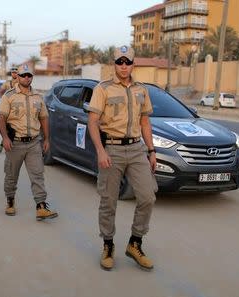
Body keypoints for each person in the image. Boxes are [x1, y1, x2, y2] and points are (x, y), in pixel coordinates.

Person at [87, 46, 157, 271]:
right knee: (108, 200)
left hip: (136, 150)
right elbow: (93, 121)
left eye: (128, 62)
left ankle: (135, 243)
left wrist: (152, 150)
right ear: (114, 64)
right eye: (120, 62)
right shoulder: (103, 88)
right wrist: (100, 150)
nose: (124, 66)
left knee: (147, 196)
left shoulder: (141, 90)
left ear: (133, 64)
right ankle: (108, 244)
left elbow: (145, 122)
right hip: (112, 150)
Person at [0, 64, 58, 220]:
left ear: (32, 77)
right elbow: (1, 118)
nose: (26, 78)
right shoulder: (9, 96)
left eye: (29, 75)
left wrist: (46, 139)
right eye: (23, 75)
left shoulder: (38, 97)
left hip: (33, 143)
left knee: (37, 175)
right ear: (18, 77)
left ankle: (41, 206)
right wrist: (4, 138)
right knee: (11, 175)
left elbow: (44, 118)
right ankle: (10, 201)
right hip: (15, 143)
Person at [0, 66, 19, 153]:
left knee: (15, 126)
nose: (14, 74)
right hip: (8, 108)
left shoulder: (21, 82)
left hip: (18, 108)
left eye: (16, 72)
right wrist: (5, 100)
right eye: (13, 72)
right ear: (11, 73)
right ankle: (4, 143)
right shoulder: (7, 83)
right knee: (7, 127)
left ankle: (4, 144)